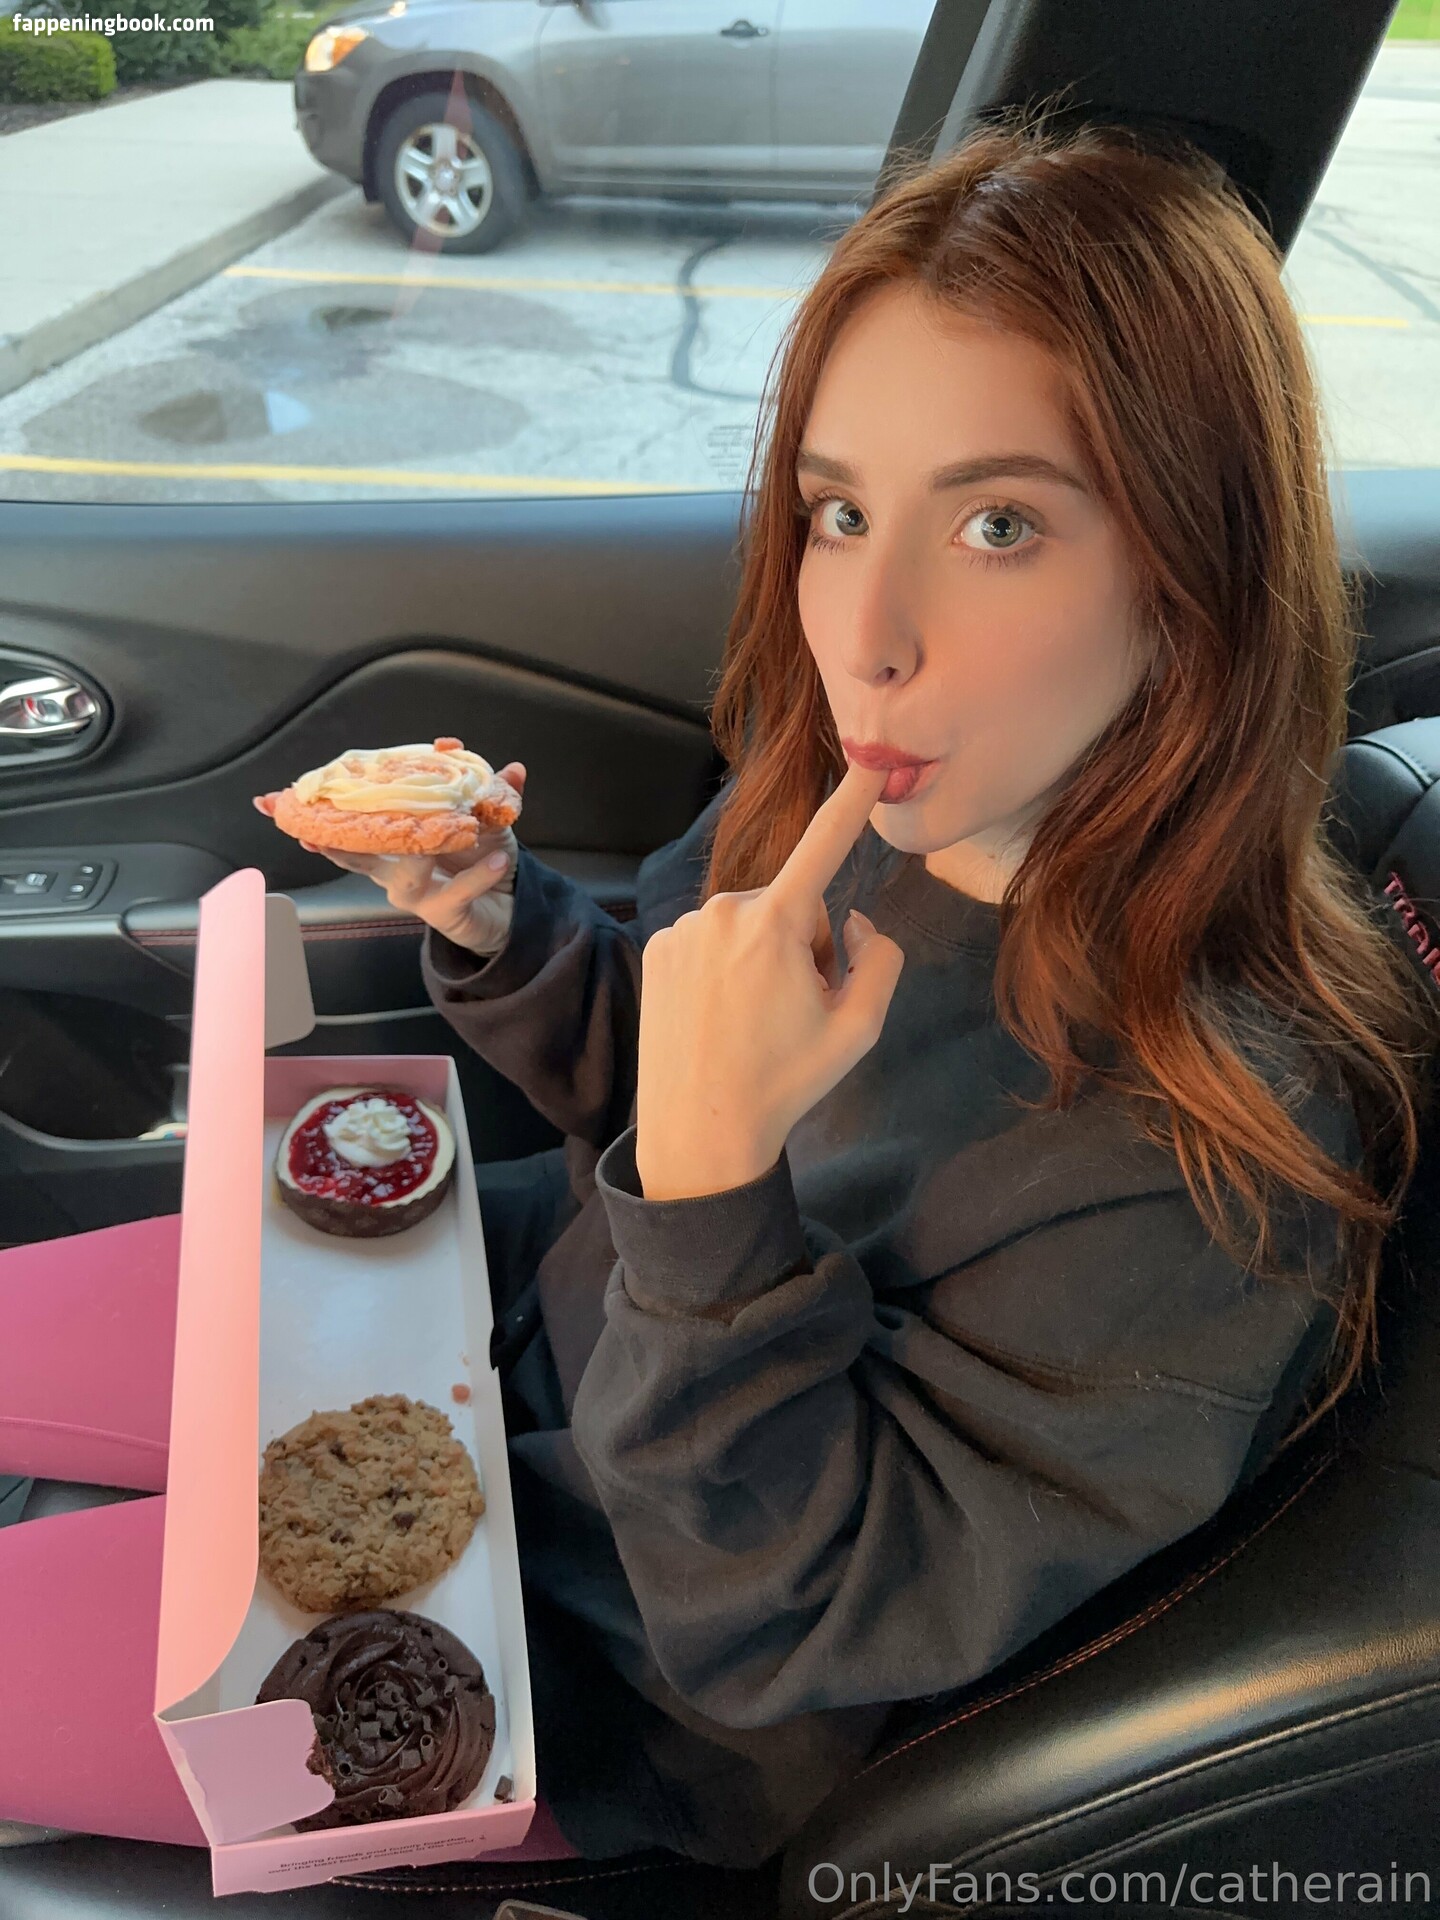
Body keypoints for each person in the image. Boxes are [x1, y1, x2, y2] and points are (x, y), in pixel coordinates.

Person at [5, 104, 1437, 1871]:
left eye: (1000, 524)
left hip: (586, 1660)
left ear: (1197, 571)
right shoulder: (852, 805)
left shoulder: (1199, 1173)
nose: (866, 635)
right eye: (841, 511)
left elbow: (780, 1622)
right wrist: (505, 926)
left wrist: (704, 1191)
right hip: (488, 1329)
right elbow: (654, 1061)